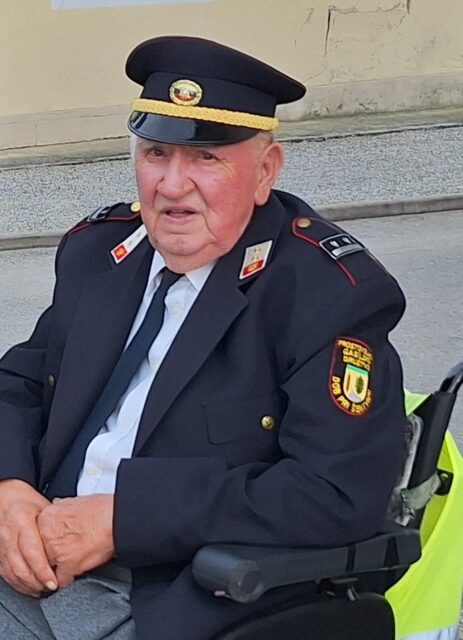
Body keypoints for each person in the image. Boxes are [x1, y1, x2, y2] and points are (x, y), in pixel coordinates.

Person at [0, 36, 407, 640]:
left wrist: (123, 521)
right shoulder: (100, 252)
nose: (171, 185)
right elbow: (19, 384)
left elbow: (335, 491)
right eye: (156, 153)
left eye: (206, 158)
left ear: (265, 171)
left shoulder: (324, 291)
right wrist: (9, 489)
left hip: (171, 590)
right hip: (32, 557)